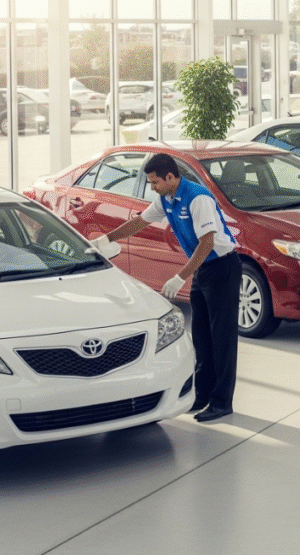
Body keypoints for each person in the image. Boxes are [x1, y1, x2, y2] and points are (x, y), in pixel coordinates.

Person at [91, 153, 241, 423]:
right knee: (202, 335)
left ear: (170, 177)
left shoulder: (197, 199)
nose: (152, 187)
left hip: (222, 268)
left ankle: (222, 402)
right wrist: (105, 239)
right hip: (203, 269)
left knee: (222, 338)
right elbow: (140, 221)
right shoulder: (166, 198)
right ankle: (203, 394)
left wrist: (180, 277)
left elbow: (207, 242)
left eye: (155, 182)